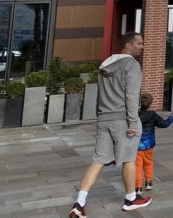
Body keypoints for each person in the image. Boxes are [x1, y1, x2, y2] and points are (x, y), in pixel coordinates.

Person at [68, 32, 152, 217]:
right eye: (139, 43)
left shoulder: (105, 65)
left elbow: (100, 96)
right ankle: (131, 199)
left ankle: (79, 203)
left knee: (98, 161)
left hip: (104, 118)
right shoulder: (132, 65)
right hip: (123, 120)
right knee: (129, 159)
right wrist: (133, 122)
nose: (142, 46)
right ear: (128, 45)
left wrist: (100, 116)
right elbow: (131, 96)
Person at [135, 92, 173, 192]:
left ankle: (138, 187)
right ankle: (148, 182)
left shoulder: (135, 115)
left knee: (138, 166)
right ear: (150, 104)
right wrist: (172, 116)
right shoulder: (152, 115)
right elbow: (164, 124)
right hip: (149, 145)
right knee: (148, 163)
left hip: (136, 147)